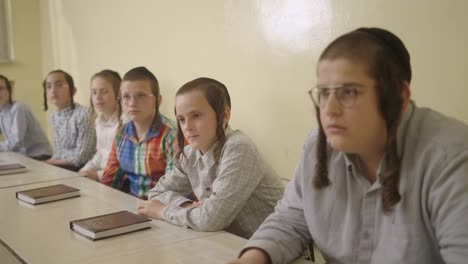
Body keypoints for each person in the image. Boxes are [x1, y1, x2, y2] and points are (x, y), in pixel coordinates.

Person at [232, 27, 468, 264]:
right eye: (324, 93)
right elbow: (291, 219)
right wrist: (253, 258)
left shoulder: (452, 156)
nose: (330, 110)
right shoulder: (318, 146)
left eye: (350, 92)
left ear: (399, 96)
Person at [137, 77, 284, 239]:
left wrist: (163, 211)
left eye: (196, 115)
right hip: (225, 241)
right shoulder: (189, 153)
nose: (187, 126)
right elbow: (156, 193)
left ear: (224, 116)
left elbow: (210, 220)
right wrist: (188, 206)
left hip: (273, 248)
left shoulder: (239, 148)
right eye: (181, 119)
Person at [101, 66, 177, 199]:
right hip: (132, 205)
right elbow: (110, 179)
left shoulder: (172, 135)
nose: (132, 103)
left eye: (141, 95)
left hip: (165, 208)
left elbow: (174, 187)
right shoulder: (121, 133)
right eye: (126, 97)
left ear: (158, 100)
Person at [43, 70, 96, 171]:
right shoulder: (54, 116)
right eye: (48, 86)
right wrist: (46, 163)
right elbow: (59, 153)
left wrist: (47, 163)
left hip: (82, 169)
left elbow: (82, 158)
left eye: (59, 85)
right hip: (62, 167)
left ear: (73, 90)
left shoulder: (85, 114)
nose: (53, 90)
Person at [79, 70, 121, 181]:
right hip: (102, 176)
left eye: (104, 92)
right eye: (94, 92)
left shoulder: (124, 123)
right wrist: (84, 171)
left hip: (117, 180)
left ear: (118, 94)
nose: (98, 97)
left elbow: (125, 165)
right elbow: (100, 153)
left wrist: (98, 175)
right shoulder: (98, 122)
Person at [0, 74, 52, 159]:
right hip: (24, 156)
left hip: (40, 156)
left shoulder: (18, 108)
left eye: (0, 88)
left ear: (10, 90)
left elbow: (15, 143)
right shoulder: (2, 111)